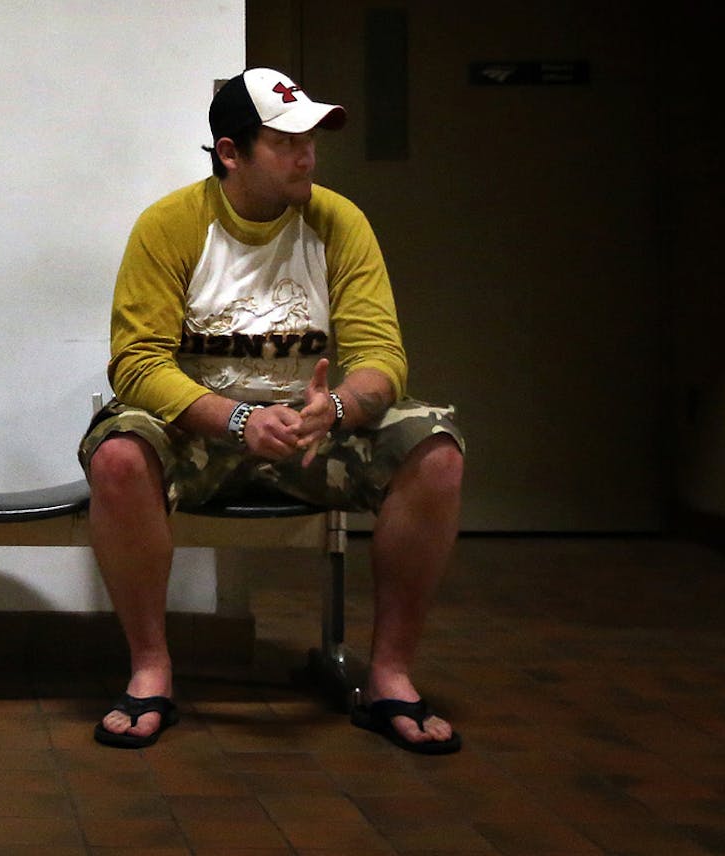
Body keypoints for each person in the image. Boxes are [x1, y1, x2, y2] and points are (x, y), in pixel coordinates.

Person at [79, 68, 467, 754]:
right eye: (286, 141)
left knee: (434, 450)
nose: (308, 155)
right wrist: (233, 419)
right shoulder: (170, 225)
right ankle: (150, 669)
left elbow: (385, 356)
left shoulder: (338, 221)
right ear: (231, 153)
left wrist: (339, 406)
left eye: (311, 138)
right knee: (116, 453)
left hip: (312, 432)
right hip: (202, 435)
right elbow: (136, 364)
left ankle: (388, 676)